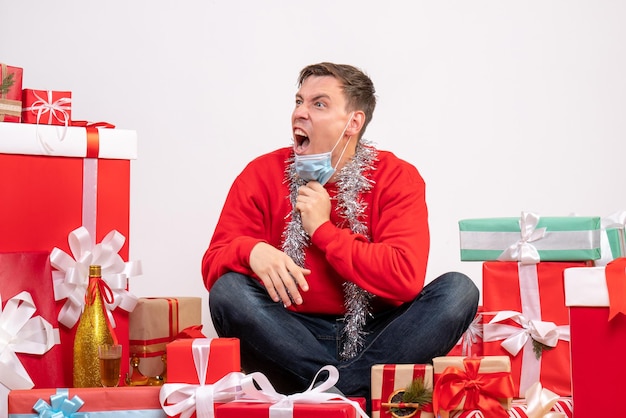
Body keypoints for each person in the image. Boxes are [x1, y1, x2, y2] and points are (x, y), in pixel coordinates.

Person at [202, 62, 479, 411]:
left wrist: (323, 231)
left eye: (318, 104)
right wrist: (250, 250)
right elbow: (213, 264)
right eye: (299, 101)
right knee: (228, 292)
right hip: (289, 336)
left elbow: (405, 278)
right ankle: (354, 396)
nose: (300, 112)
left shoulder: (397, 177)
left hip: (378, 337)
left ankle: (329, 398)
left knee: (458, 291)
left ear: (353, 123)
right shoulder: (260, 173)